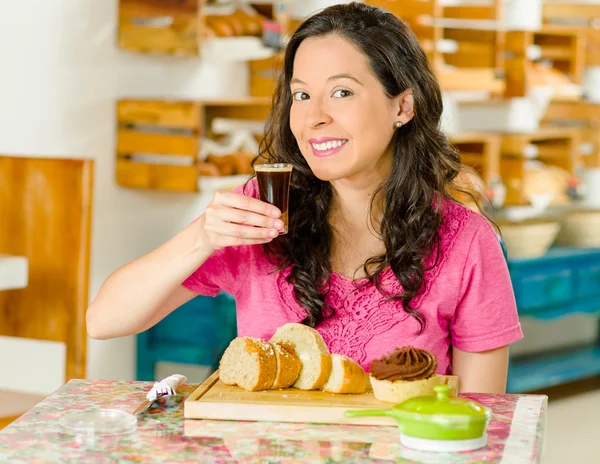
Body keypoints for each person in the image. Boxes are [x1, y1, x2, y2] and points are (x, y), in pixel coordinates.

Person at [87, 2, 522, 393]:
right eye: (302, 94)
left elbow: (481, 420)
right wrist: (203, 236)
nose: (314, 117)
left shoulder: (466, 241)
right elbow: (105, 321)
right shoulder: (263, 212)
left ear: (402, 107)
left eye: (342, 92)